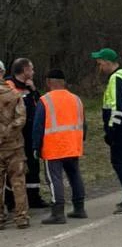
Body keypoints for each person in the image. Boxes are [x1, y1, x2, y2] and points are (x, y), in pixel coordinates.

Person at [33, 69, 87, 225]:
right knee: (74, 175)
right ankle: (79, 207)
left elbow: (38, 126)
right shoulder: (76, 99)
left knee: (54, 178)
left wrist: (36, 147)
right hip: (72, 145)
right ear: (63, 82)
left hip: (53, 146)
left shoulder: (45, 100)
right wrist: (80, 140)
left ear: (49, 82)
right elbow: (84, 123)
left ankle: (57, 212)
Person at [91, 48, 122, 213]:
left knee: (120, 162)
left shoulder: (117, 78)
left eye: (100, 63)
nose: (99, 67)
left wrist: (111, 130)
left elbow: (118, 108)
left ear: (108, 62)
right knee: (121, 162)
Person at [4, 57, 49, 210]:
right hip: (15, 134)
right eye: (31, 69)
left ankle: (34, 197)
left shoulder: (29, 87)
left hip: (31, 133)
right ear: (24, 70)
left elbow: (40, 105)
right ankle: (11, 201)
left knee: (33, 164)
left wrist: (34, 90)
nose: (34, 71)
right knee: (14, 168)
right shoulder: (9, 85)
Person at [0, 60, 29, 229]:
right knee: (18, 181)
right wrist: (8, 133)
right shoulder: (14, 95)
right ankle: (21, 217)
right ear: (3, 73)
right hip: (14, 146)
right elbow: (21, 119)